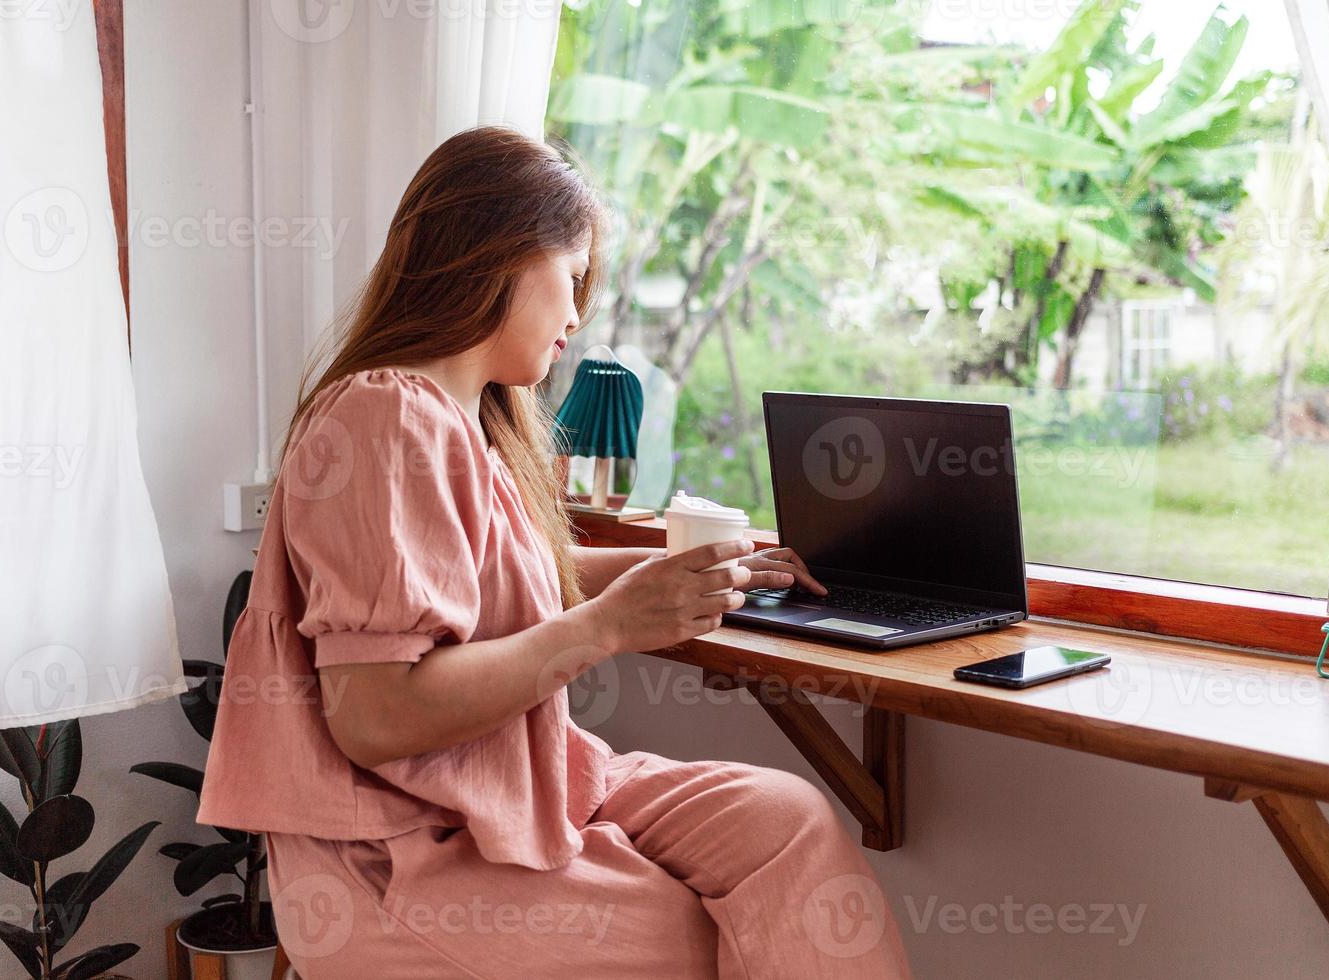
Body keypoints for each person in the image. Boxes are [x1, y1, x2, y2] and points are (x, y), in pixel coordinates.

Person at [196, 126, 913, 979]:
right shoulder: (386, 418)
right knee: (690, 936)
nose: (577, 316)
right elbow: (376, 717)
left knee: (787, 822)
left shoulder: (466, 422)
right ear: (499, 254)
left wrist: (692, 575)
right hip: (401, 851)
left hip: (529, 783)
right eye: (572, 279)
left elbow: (512, 581)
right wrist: (609, 628)